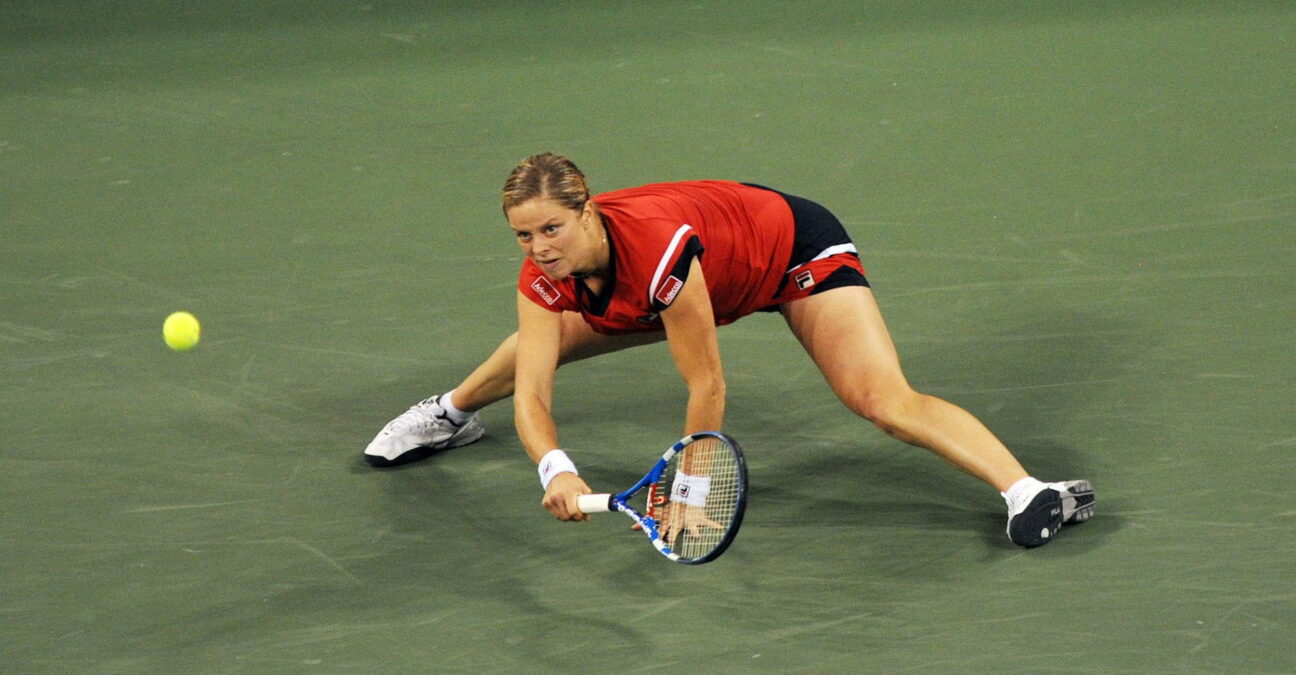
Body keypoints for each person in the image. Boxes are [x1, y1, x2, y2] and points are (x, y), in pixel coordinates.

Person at [363, 153, 1095, 548]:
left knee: (880, 400)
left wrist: (692, 490)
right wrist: (555, 467)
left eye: (552, 229)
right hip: (696, 275)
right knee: (539, 343)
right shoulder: (542, 273)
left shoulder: (655, 255)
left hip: (785, 254)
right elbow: (533, 394)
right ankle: (451, 412)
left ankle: (1029, 490)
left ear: (587, 210)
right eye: (524, 235)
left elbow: (706, 381)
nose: (539, 248)